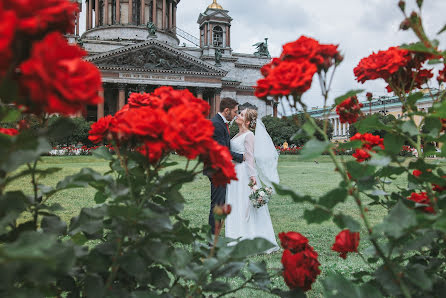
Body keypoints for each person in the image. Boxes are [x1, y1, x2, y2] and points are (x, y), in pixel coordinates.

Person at [225, 108, 280, 253]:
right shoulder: (237, 134)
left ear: (248, 122)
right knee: (236, 204)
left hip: (243, 174)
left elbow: (250, 158)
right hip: (234, 173)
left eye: (241, 115)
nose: (237, 115)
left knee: (244, 206)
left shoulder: (249, 135)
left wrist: (253, 180)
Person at [207, 97, 244, 234]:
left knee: (219, 204)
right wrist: (241, 157)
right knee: (217, 205)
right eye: (235, 112)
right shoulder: (216, 124)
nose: (236, 115)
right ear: (226, 110)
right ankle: (212, 239)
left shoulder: (220, 123)